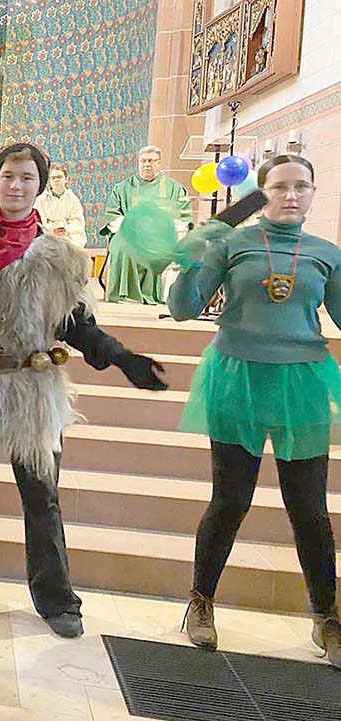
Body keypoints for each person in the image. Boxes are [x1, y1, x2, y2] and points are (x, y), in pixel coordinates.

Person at [0, 143, 167, 638]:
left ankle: (56, 598)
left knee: (42, 497)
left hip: (33, 387)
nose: (17, 186)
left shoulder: (58, 255)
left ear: (40, 186)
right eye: (9, 175)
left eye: (27, 177)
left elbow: (78, 326)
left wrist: (123, 358)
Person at [168, 154, 341, 667]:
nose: (291, 195)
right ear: (262, 193)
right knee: (230, 500)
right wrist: (190, 262)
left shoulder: (326, 253)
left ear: (313, 193)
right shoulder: (232, 243)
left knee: (308, 507)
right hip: (237, 379)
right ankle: (200, 603)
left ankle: (327, 617)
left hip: (302, 384)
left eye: (301, 186)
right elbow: (183, 308)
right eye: (279, 186)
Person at [101, 145, 192, 304]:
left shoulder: (175, 189)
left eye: (151, 161)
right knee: (121, 246)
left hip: (161, 236)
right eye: (143, 161)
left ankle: (151, 293)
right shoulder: (122, 188)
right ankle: (125, 294)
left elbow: (183, 220)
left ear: (159, 163)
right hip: (129, 234)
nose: (147, 165)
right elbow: (112, 216)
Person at [34, 166, 87, 247]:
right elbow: (39, 222)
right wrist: (51, 230)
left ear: (66, 179)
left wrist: (66, 229)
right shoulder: (41, 200)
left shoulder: (73, 199)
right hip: (49, 233)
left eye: (59, 177)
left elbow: (77, 220)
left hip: (68, 233)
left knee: (73, 243)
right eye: (53, 178)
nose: (56, 180)